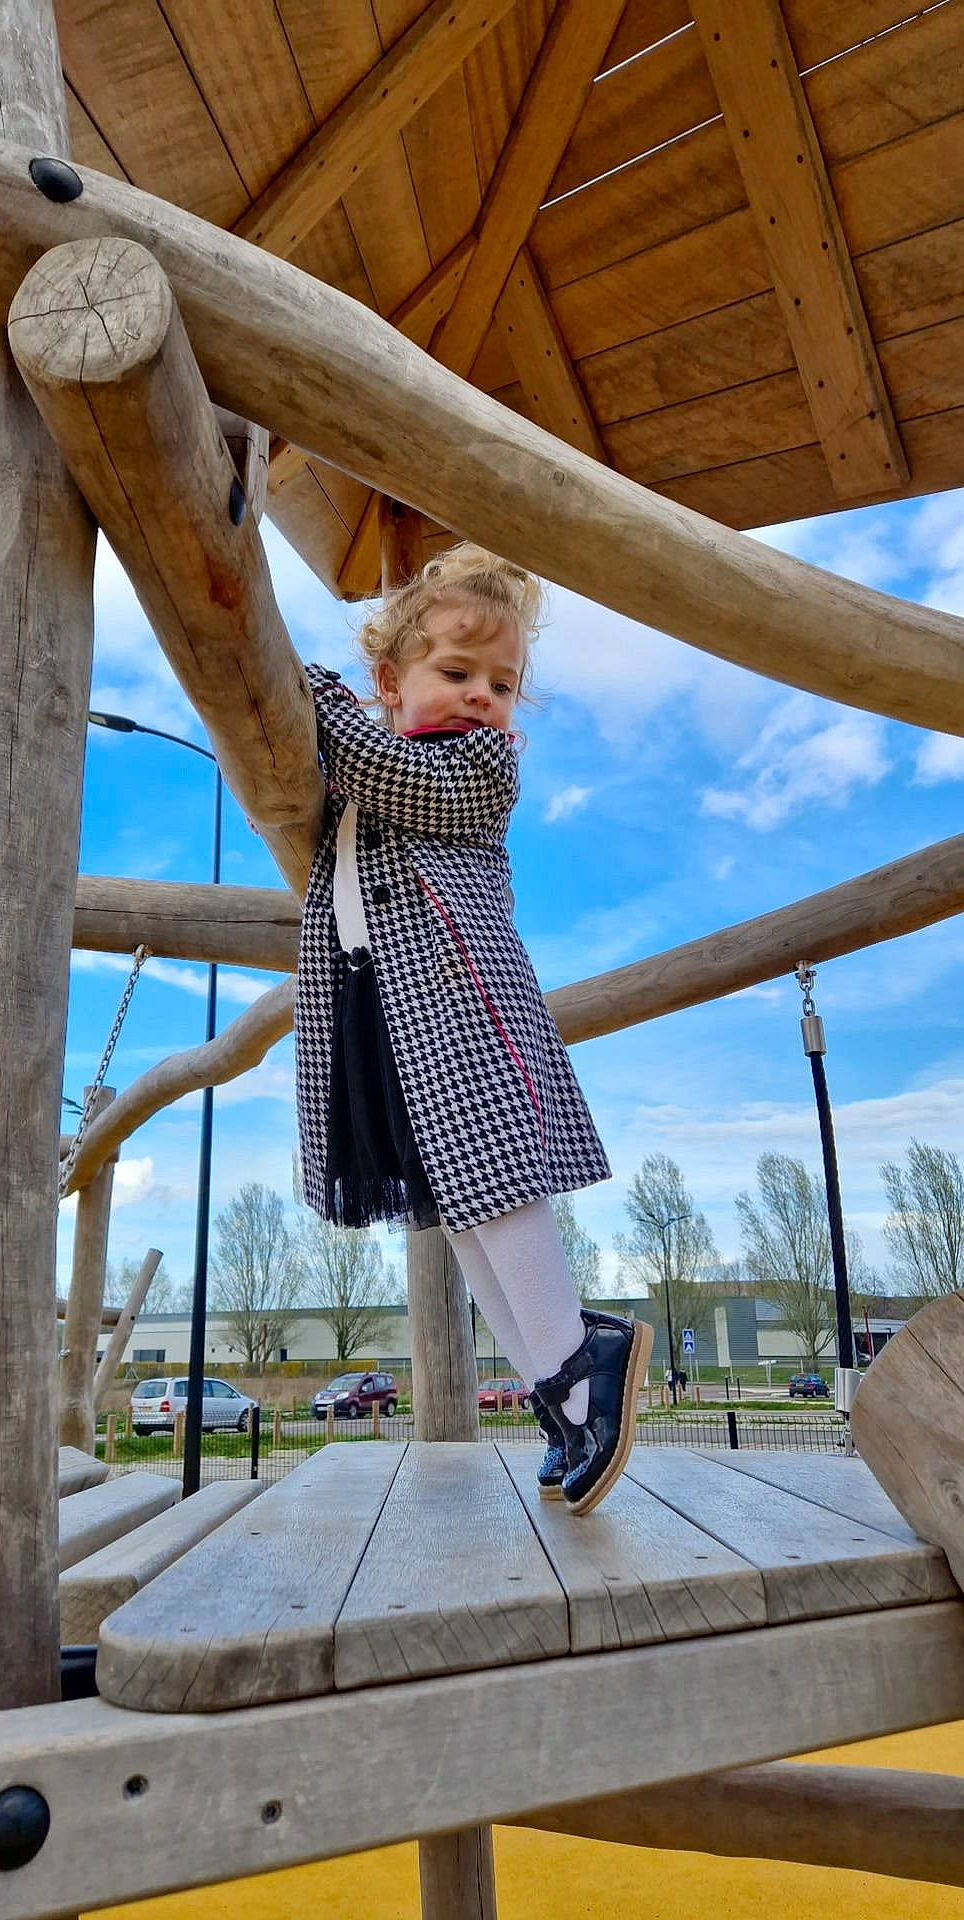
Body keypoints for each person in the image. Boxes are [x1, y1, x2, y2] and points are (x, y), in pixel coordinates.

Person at [296, 543, 651, 1516]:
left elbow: (371, 763)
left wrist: (312, 697)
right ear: (392, 679)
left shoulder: (473, 767)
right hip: (389, 1017)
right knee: (460, 1221)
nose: (483, 697)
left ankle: (586, 1365)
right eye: (457, 673)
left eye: (503, 683)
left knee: (496, 1189)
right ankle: (559, 1391)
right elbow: (326, 812)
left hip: (463, 1001)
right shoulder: (364, 787)